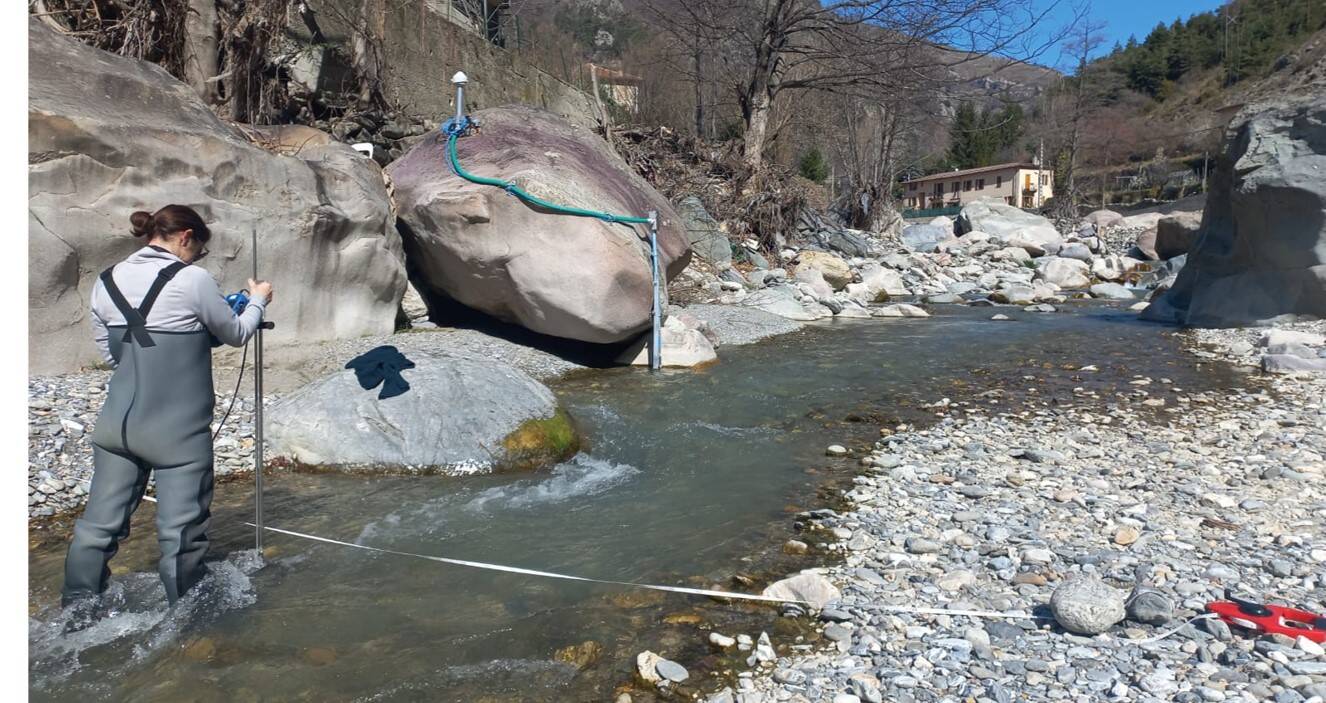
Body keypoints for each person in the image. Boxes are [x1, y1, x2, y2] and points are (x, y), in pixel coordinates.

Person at [62, 205, 274, 615]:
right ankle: (190, 627)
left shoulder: (106, 281)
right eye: (199, 250)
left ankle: (77, 615)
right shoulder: (192, 279)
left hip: (116, 427)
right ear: (184, 237)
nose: (197, 258)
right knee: (180, 535)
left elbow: (113, 355)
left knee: (95, 530)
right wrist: (258, 301)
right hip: (177, 434)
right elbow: (236, 333)